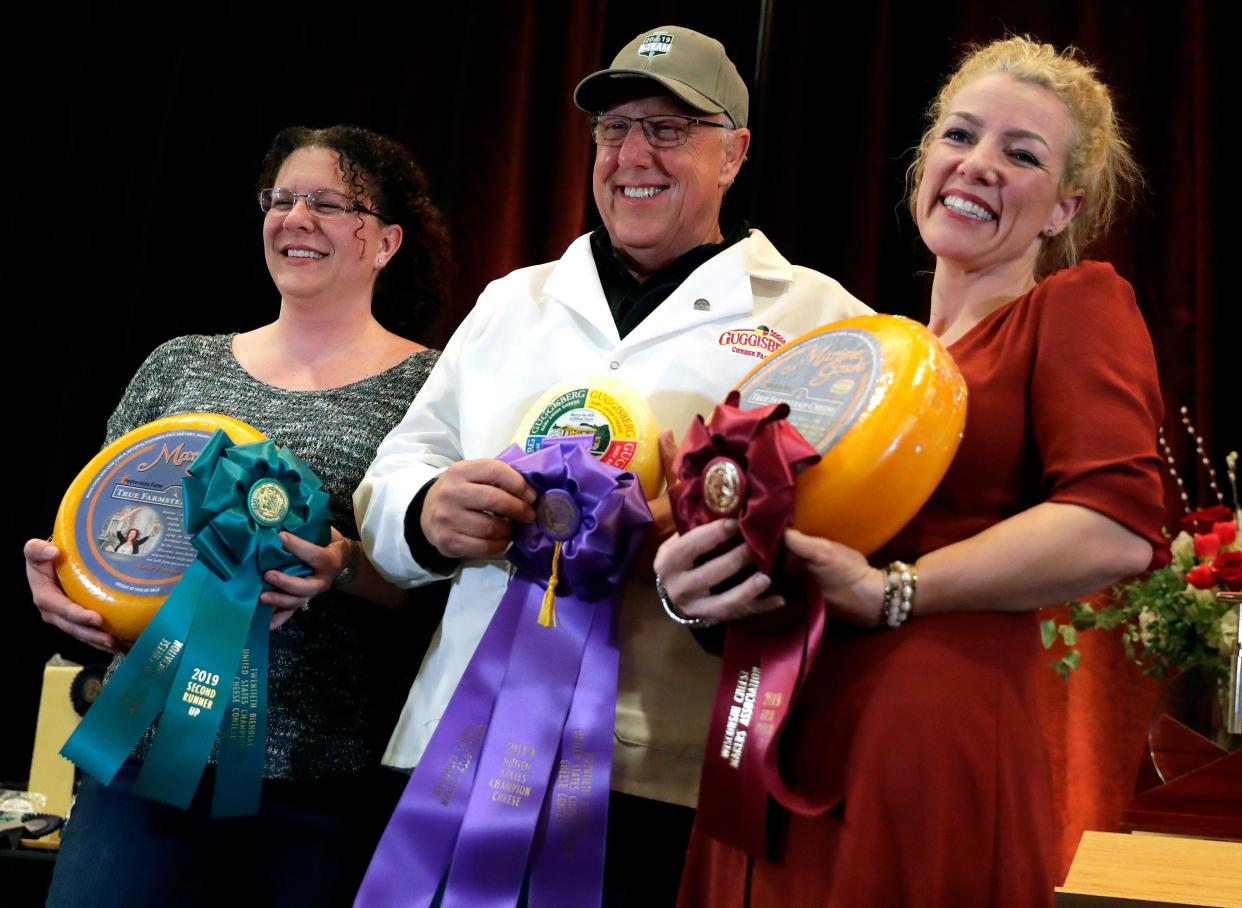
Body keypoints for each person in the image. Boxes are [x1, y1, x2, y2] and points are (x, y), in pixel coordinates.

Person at [355, 25, 870, 903]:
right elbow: (403, 464)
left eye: (669, 130)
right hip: (457, 750)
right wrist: (426, 513)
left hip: (665, 773)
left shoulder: (822, 322)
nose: (633, 154)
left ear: (736, 153)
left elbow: (849, 531)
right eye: (612, 129)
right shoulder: (513, 300)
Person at [659, 37, 1165, 907]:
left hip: (921, 735)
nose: (978, 165)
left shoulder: (1071, 306)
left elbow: (1116, 526)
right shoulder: (861, 354)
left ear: (1062, 208)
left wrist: (898, 589)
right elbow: (782, 544)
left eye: (1022, 153)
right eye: (960, 136)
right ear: (923, 163)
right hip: (771, 731)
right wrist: (694, 584)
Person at [24, 124, 451, 907]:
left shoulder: (436, 388)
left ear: (386, 241)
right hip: (143, 762)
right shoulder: (179, 364)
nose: (297, 217)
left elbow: (445, 592)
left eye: (329, 201)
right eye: (281, 199)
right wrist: (59, 578)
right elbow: (107, 530)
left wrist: (346, 568)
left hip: (327, 782)